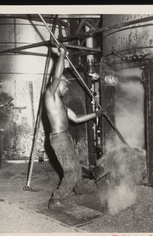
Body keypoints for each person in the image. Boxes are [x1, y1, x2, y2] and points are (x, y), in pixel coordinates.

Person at [45, 45, 105, 209]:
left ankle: (80, 191)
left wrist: (96, 114)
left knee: (76, 169)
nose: (67, 87)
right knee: (71, 171)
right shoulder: (51, 96)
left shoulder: (62, 105)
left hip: (65, 137)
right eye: (66, 85)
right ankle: (56, 199)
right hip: (59, 138)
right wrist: (62, 55)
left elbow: (77, 118)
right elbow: (56, 77)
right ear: (57, 84)